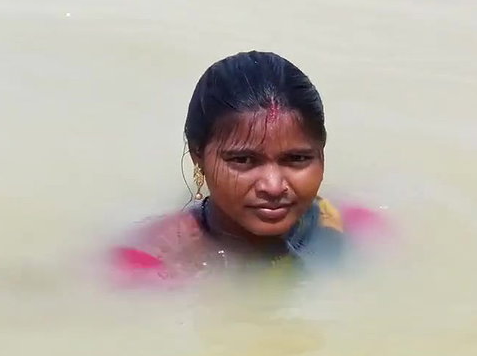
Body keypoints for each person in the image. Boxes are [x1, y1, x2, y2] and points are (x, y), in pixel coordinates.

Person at [110, 50, 384, 285]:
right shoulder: (151, 263)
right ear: (198, 157)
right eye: (243, 160)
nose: (273, 187)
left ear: (321, 153)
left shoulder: (353, 228)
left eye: (297, 159)